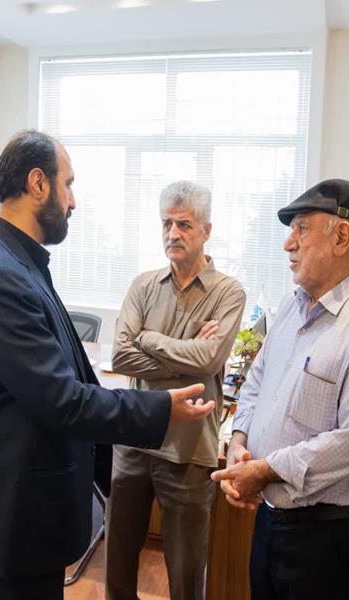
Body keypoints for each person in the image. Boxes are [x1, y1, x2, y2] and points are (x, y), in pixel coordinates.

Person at [0, 130, 215, 600]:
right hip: (18, 517)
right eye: (67, 184)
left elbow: (72, 372)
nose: (72, 200)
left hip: (31, 510)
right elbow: (65, 401)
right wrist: (161, 408)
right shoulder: (0, 277)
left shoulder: (19, 262)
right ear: (38, 184)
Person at [211, 179, 349, 600]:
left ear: (341, 237)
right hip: (270, 519)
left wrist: (265, 470)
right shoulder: (290, 308)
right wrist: (240, 443)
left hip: (327, 538)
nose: (288, 244)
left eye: (301, 228)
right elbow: (256, 381)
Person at [107, 181, 246, 600]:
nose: (172, 233)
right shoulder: (143, 285)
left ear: (206, 230)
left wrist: (148, 338)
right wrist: (188, 354)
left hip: (188, 450)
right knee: (117, 564)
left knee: (186, 574)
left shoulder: (228, 292)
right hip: (133, 441)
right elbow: (120, 356)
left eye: (183, 224)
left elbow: (210, 360)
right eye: (166, 223)